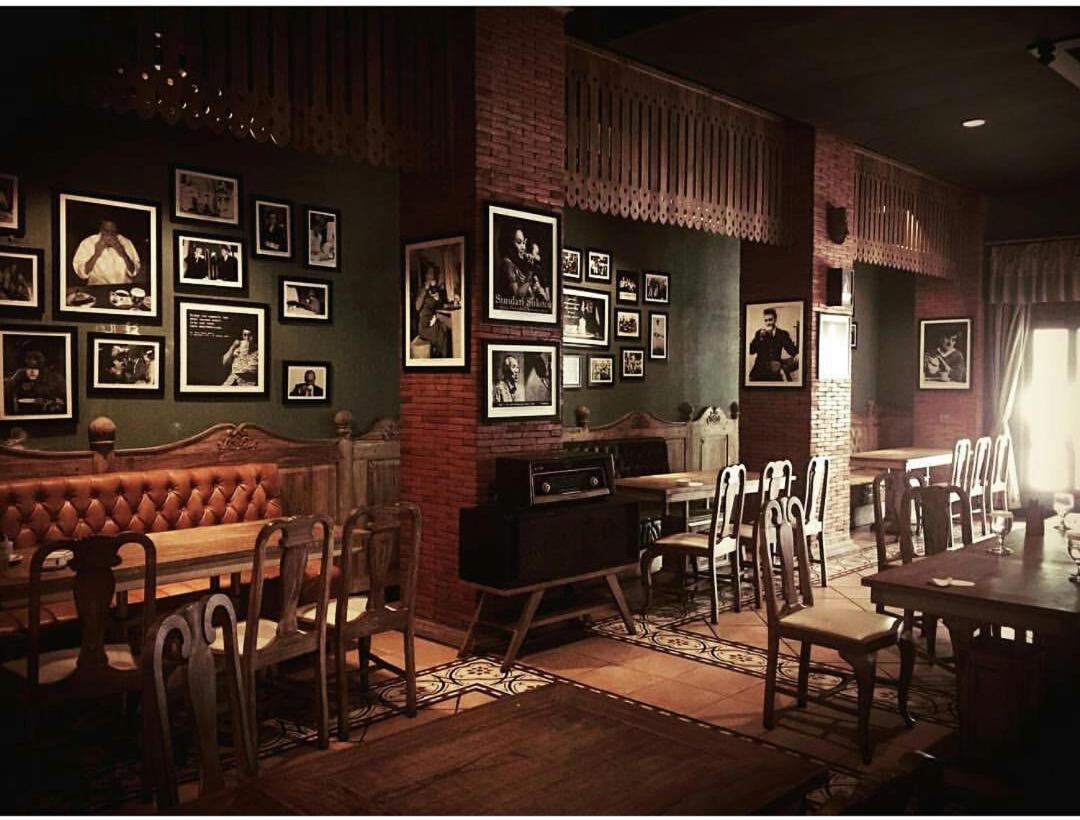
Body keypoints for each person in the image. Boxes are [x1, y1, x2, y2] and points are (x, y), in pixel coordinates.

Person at [71, 219, 140, 285]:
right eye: (106, 230)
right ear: (100, 229)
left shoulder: (126, 242)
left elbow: (134, 272)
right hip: (97, 287)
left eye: (113, 231)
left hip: (122, 286)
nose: (109, 234)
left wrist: (123, 254)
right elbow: (82, 274)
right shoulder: (88, 242)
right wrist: (96, 254)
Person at [4, 349, 65, 414]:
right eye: (29, 358)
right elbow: (7, 391)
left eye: (37, 358)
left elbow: (63, 399)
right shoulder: (20, 374)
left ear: (45, 359)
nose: (32, 361)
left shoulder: (54, 376)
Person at [749, 307, 798, 381]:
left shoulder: (782, 334)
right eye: (766, 320)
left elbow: (791, 349)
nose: (768, 323)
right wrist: (759, 338)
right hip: (759, 370)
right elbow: (751, 351)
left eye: (770, 320)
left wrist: (796, 354)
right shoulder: (759, 333)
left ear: (775, 319)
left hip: (775, 370)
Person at [414, 263, 450, 358]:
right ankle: (441, 356)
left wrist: (438, 299)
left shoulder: (435, 289)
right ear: (426, 275)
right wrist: (425, 290)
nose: (432, 276)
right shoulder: (421, 290)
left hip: (433, 320)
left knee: (445, 328)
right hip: (425, 325)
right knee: (442, 333)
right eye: (430, 273)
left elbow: (439, 306)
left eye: (433, 273)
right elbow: (417, 307)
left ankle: (440, 355)